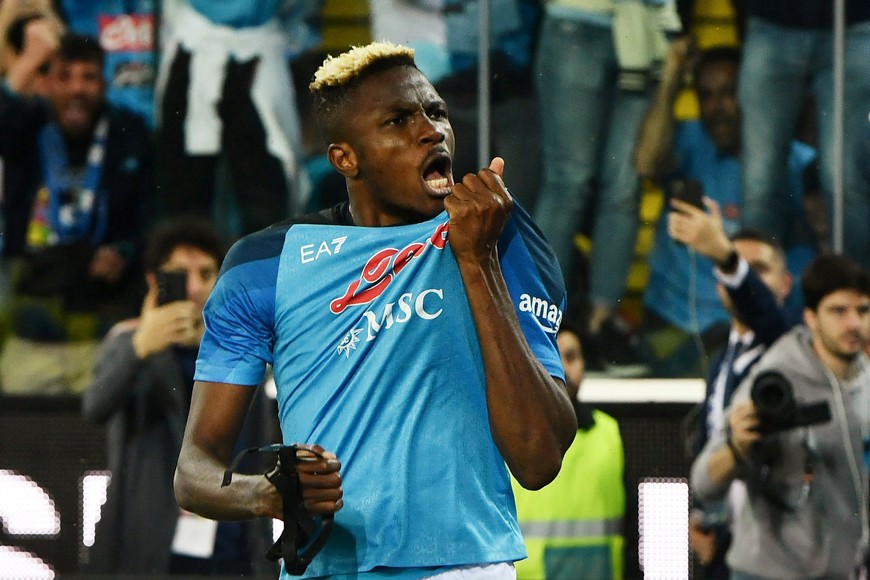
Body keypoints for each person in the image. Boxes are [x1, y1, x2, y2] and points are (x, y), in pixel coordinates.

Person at [174, 41, 577, 579]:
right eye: (398, 121)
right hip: (323, 570)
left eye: (436, 112)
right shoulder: (263, 264)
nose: (431, 132)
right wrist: (265, 494)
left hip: (463, 567)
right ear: (346, 158)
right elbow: (194, 472)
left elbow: (539, 457)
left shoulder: (497, 232)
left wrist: (478, 260)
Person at [81, 216, 278, 576]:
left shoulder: (241, 354)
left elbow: (259, 457)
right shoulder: (128, 341)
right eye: (179, 275)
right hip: (149, 546)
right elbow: (95, 407)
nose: (193, 287)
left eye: (205, 274)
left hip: (231, 550)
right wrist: (141, 347)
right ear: (153, 281)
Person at [634, 41, 816, 377]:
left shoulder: (791, 160)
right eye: (706, 96)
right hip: (672, 324)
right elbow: (646, 163)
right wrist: (672, 76)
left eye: (729, 93)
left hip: (748, 326)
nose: (717, 107)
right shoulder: (691, 139)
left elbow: (807, 254)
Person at [691, 253, 870, 580]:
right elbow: (703, 482)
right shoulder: (774, 380)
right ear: (810, 317)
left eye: (863, 310)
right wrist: (736, 448)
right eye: (838, 311)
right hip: (767, 572)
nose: (854, 324)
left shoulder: (867, 382)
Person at [531, 0, 680, 374]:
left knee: (625, 186)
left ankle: (601, 326)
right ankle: (541, 322)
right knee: (569, 181)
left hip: (644, 31)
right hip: (576, 19)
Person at [0, 32, 152, 394]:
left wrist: (125, 251)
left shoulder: (129, 132)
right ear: (46, 83)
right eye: (64, 76)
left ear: (104, 84)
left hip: (102, 303)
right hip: (31, 296)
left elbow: (148, 214)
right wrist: (27, 62)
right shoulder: (27, 124)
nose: (77, 88)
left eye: (88, 77)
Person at [668, 203, 793, 578]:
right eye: (740, 270)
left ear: (785, 284)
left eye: (760, 269)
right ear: (718, 286)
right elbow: (711, 441)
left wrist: (726, 256)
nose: (748, 278)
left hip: (778, 549)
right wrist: (701, 515)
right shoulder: (722, 359)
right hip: (725, 548)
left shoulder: (789, 349)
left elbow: (766, 315)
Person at [156, 0, 309, 236]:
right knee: (186, 192)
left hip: (260, 52)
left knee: (264, 192)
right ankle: (189, 256)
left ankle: (262, 258)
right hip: (192, 48)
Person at [738, 0, 870, 270]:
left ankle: (853, 292)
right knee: (760, 182)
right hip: (772, 22)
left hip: (852, 23)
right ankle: (754, 293)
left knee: (843, 181)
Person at [511, 325, 626, 580]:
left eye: (571, 357)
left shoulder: (610, 432)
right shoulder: (507, 432)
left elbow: (633, 526)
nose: (562, 367)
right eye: (550, 355)